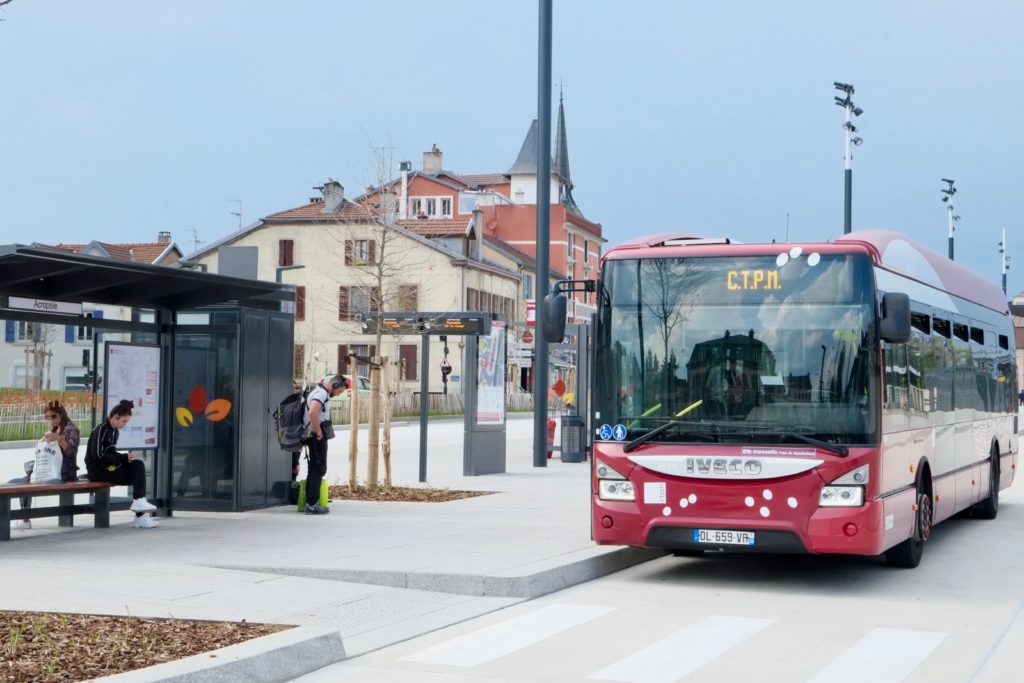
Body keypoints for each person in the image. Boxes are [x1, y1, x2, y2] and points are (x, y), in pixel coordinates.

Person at [8, 400, 81, 531]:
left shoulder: (72, 429)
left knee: (28, 482)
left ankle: (24, 519)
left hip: (64, 472)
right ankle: (24, 519)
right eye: (48, 417)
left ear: (61, 414)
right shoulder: (55, 429)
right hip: (52, 470)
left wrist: (58, 438)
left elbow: (71, 452)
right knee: (25, 481)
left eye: (54, 416)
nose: (51, 420)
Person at [85, 399, 158, 529]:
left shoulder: (115, 432)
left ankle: (139, 504)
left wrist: (125, 458)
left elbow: (111, 453)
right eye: (124, 421)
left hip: (109, 468)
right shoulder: (101, 429)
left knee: (138, 464)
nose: (125, 424)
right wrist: (121, 458)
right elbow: (98, 455)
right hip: (97, 471)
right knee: (135, 478)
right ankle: (140, 513)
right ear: (115, 417)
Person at [302, 375, 346, 515]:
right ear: (334, 385)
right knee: (319, 468)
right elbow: (313, 412)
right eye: (339, 391)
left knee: (314, 467)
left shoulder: (320, 392)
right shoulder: (321, 393)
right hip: (316, 436)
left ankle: (310, 502)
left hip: (314, 435)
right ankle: (311, 505)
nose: (338, 394)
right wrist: (319, 432)